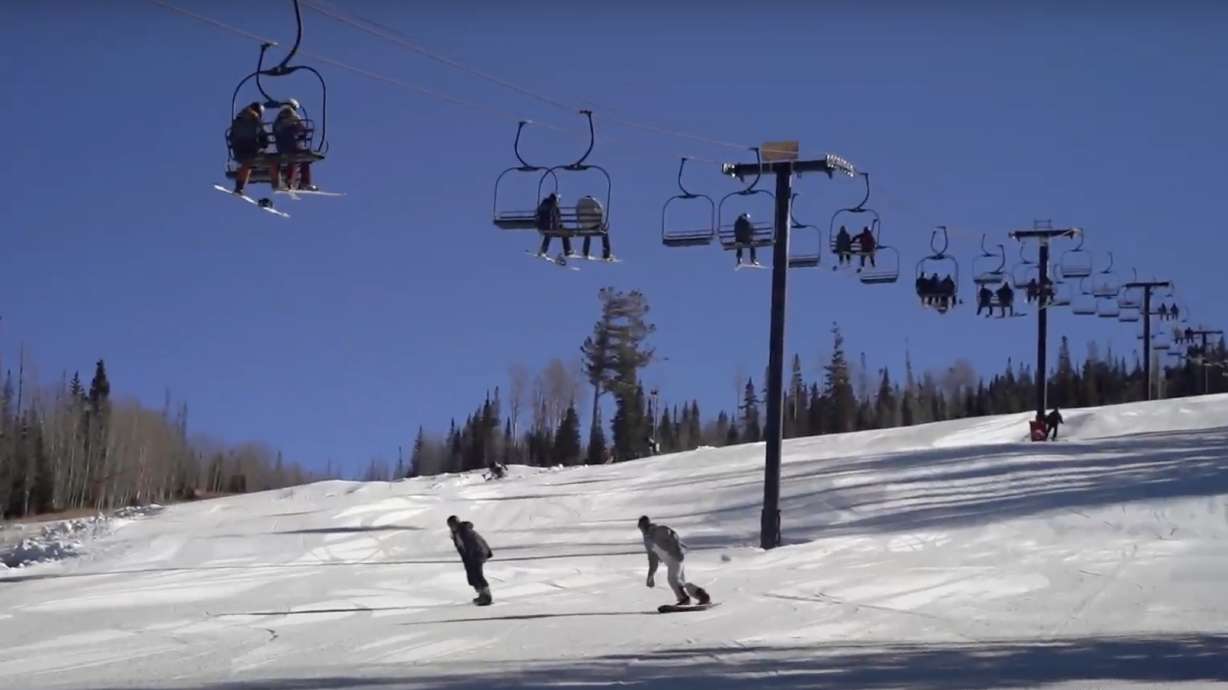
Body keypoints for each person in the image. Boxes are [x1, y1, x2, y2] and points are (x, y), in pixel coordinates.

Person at [637, 515, 709, 607]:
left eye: (641, 527)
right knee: (680, 582)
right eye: (640, 528)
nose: (641, 530)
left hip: (676, 557)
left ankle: (684, 599)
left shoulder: (659, 530)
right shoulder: (648, 541)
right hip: (671, 561)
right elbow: (652, 559)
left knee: (673, 579)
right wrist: (650, 576)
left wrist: (676, 550)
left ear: (645, 525)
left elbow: (673, 536)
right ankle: (702, 596)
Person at [447, 515, 493, 606]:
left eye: (454, 524)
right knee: (472, 576)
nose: (452, 526)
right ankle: (482, 594)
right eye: (451, 525)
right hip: (473, 555)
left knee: (477, 574)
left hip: (477, 553)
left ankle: (487, 596)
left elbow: (472, 545)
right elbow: (461, 548)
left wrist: (470, 558)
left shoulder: (464, 531)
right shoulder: (457, 533)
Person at [271, 99, 316, 191]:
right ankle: (303, 183)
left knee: (293, 159)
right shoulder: (293, 116)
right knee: (303, 159)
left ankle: (290, 182)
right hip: (293, 145)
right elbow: (301, 129)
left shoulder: (277, 119)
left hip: (281, 147)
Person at [228, 102, 266, 195]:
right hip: (250, 147)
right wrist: (263, 143)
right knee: (248, 165)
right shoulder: (255, 119)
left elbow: (231, 134)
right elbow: (261, 133)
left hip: (237, 148)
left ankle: (240, 186)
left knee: (246, 164)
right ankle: (239, 188)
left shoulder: (238, 118)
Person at [577, 195, 613, 260]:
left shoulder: (580, 202)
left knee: (587, 232)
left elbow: (577, 214)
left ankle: (585, 252)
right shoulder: (594, 201)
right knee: (604, 232)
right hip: (594, 225)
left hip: (585, 225)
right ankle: (606, 253)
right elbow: (601, 211)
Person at [536, 193, 571, 257]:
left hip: (542, 225)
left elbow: (538, 213)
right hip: (550, 226)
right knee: (563, 232)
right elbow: (557, 218)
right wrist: (559, 225)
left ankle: (543, 250)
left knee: (549, 234)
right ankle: (567, 251)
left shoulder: (544, 203)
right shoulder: (554, 205)